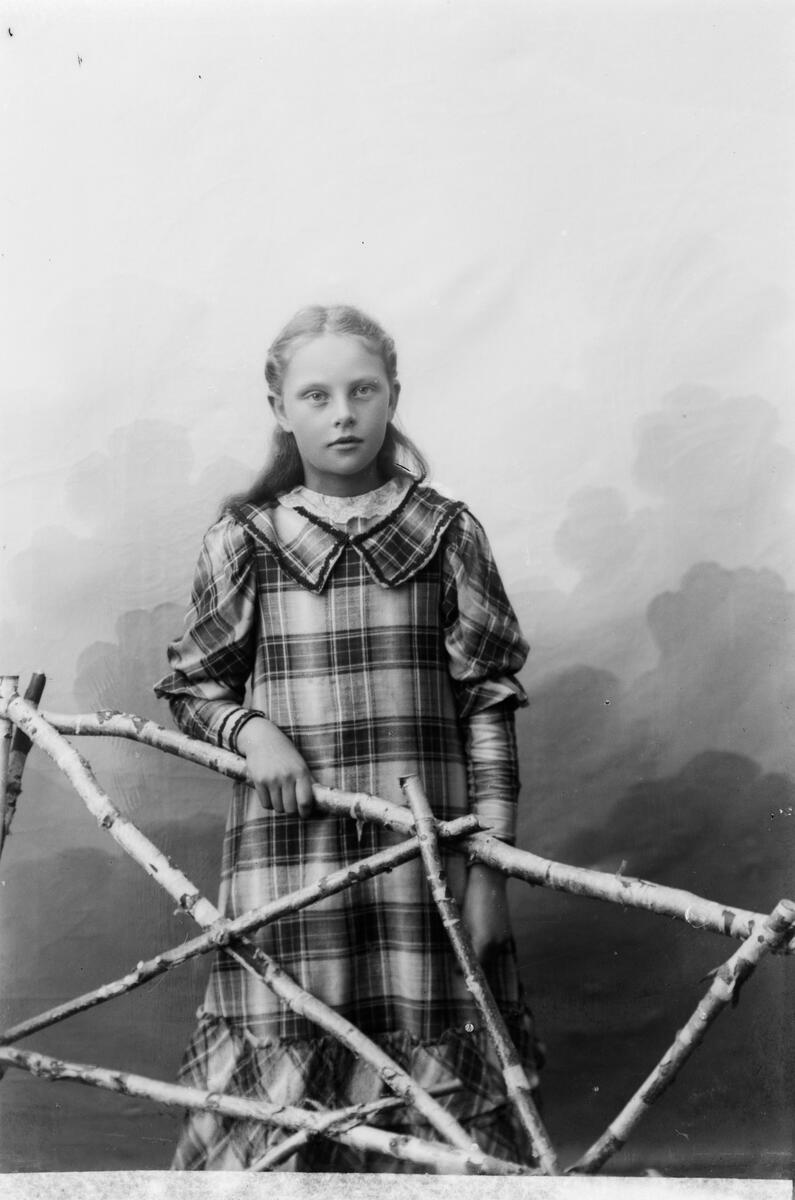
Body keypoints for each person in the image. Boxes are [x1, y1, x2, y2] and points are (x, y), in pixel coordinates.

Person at [154, 304, 541, 1171]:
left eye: (362, 391)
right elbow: (193, 689)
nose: (342, 415)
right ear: (279, 407)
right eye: (317, 395)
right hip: (293, 865)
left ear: (392, 396)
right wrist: (252, 730)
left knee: (436, 1096)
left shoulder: (446, 532)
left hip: (424, 864)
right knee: (290, 1078)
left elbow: (487, 704)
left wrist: (490, 871)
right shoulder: (246, 539)